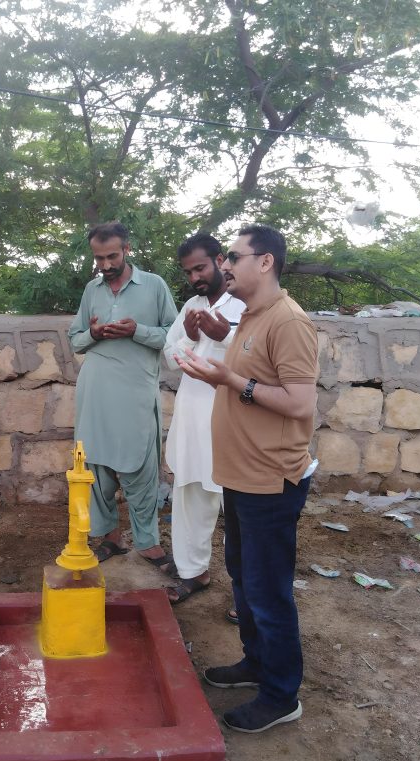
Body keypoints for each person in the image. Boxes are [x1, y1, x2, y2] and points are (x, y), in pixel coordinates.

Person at [176, 224, 319, 734]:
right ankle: (257, 663)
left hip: (270, 479)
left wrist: (228, 379)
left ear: (265, 262)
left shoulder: (289, 321)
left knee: (267, 591)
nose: (225, 265)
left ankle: (281, 695)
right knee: (244, 577)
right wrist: (214, 370)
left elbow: (299, 403)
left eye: (234, 257)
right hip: (240, 475)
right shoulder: (250, 316)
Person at [67, 221, 178, 570]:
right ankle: (110, 538)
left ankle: (147, 543)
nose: (105, 264)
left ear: (127, 249)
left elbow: (174, 337)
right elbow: (75, 340)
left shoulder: (154, 286)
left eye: (112, 256)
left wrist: (137, 331)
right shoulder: (92, 289)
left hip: (136, 393)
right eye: (99, 258)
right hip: (95, 392)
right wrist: (95, 333)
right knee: (96, 466)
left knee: (140, 467)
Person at [162, 233, 245, 605]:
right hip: (192, 416)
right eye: (188, 272)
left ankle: (246, 594)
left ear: (219, 260)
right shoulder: (191, 306)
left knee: (238, 510)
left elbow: (258, 358)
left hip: (232, 420)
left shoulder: (244, 302)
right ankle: (193, 572)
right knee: (190, 496)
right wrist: (191, 336)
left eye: (200, 268)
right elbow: (170, 357)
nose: (195, 277)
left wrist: (225, 336)